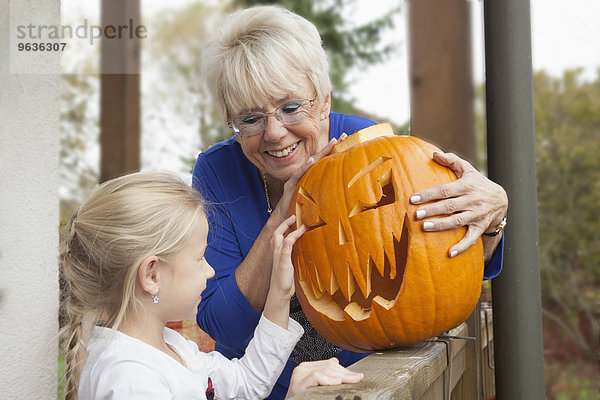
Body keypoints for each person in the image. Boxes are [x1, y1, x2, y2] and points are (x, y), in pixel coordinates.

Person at [193, 5, 508, 400]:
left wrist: (491, 219)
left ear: (323, 100)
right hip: (256, 390)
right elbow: (221, 324)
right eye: (250, 118)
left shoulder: (376, 153)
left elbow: (440, 268)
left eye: (291, 107)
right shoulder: (218, 171)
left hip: (366, 381)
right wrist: (286, 215)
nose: (274, 133)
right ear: (230, 120)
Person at [59, 171, 363, 400]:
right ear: (152, 275)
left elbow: (247, 382)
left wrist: (280, 292)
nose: (210, 270)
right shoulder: (130, 378)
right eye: (201, 257)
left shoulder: (169, 347)